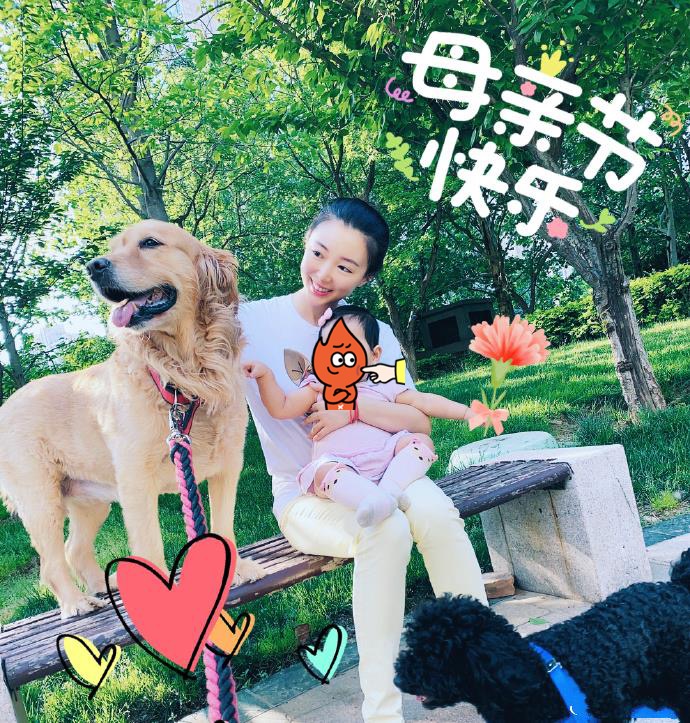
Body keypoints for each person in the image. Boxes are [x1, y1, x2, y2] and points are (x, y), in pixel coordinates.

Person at [238, 197, 488, 723]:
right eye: (318, 253)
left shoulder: (375, 335)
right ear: (306, 242)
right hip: (308, 492)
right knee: (387, 530)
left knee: (436, 511)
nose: (324, 274)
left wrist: (351, 408)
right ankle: (382, 711)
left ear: (365, 276)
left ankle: (484, 661)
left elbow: (418, 422)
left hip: (384, 467)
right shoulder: (249, 322)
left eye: (345, 267)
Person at [243, 304, 478, 528]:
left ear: (374, 355)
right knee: (324, 472)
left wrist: (468, 412)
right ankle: (372, 499)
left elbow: (424, 401)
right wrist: (266, 377)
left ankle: (390, 490)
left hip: (388, 458)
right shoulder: (318, 387)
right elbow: (282, 407)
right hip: (341, 465)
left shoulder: (383, 385)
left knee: (422, 442)